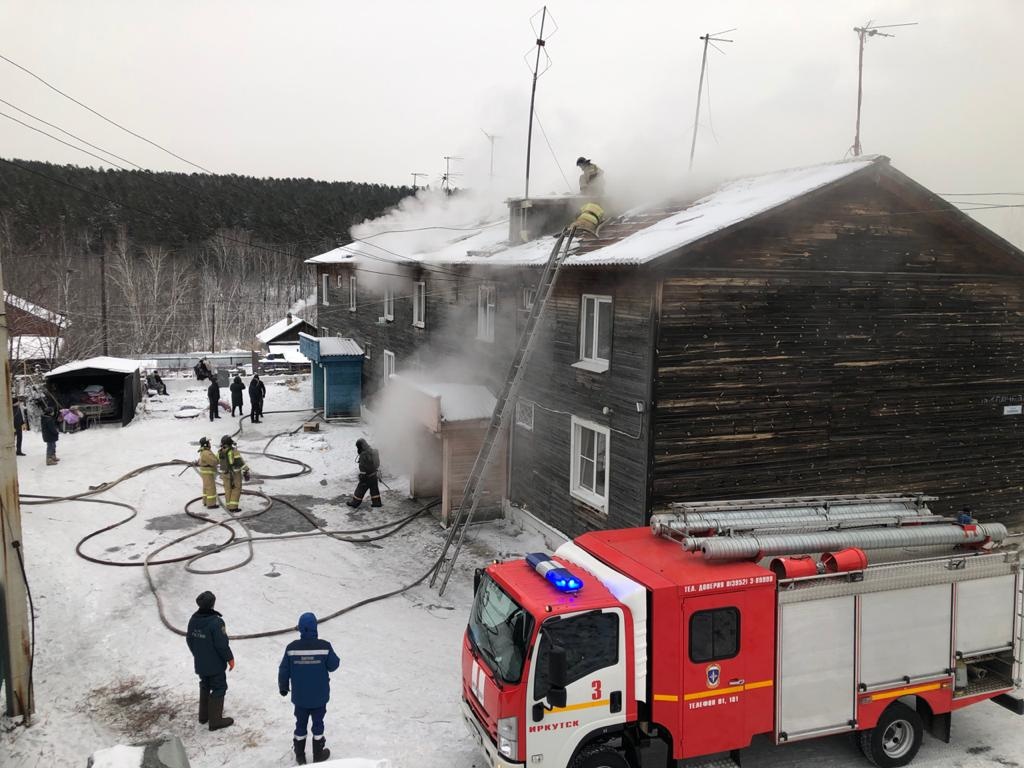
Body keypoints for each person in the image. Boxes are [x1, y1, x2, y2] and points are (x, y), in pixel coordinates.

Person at [278, 612, 340, 764]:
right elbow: (333, 665)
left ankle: (300, 756)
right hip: (319, 697)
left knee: (300, 724)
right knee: (318, 724)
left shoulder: (291, 648)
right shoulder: (324, 647)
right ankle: (318, 755)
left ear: (300, 628)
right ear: (315, 627)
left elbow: (284, 669)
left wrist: (283, 687)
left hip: (300, 698)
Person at [186, 590, 235, 731]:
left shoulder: (193, 619)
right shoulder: (216, 622)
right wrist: (230, 658)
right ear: (213, 603)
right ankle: (215, 721)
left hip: (200, 663)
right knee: (219, 687)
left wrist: (198, 654)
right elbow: (221, 645)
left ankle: (203, 716)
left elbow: (189, 639)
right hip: (215, 665)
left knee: (205, 685)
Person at [218, 435, 250, 512]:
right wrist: (246, 469)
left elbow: (218, 461)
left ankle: (228, 505)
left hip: (225, 473)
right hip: (234, 474)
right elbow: (240, 462)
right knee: (236, 489)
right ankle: (233, 507)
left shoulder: (220, 451)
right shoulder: (234, 451)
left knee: (228, 489)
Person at [347, 438, 382, 508]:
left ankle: (355, 503)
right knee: (374, 490)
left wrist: (362, 476)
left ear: (360, 446)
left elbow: (362, 466)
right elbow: (377, 464)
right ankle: (377, 503)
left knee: (360, 489)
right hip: (374, 475)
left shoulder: (363, 454)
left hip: (366, 476)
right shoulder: (373, 451)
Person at [194, 437, 220, 509]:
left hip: (206, 473)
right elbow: (214, 462)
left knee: (206, 487)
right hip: (208, 473)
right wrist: (218, 460)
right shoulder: (206, 453)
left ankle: (206, 501)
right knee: (210, 488)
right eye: (209, 443)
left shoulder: (205, 451)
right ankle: (211, 504)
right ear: (206, 444)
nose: (210, 444)